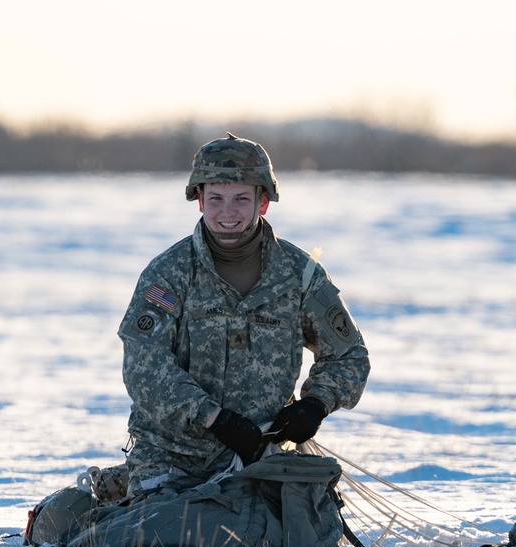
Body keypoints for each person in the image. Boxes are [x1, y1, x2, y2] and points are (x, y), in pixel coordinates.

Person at [118, 133, 370, 497]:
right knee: (175, 534)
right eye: (216, 199)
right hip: (173, 459)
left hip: (261, 456)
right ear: (200, 201)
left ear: (262, 203)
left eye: (241, 199)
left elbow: (349, 356)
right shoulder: (168, 274)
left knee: (299, 538)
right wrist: (212, 417)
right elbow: (144, 365)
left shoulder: (300, 275)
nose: (227, 212)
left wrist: (315, 405)